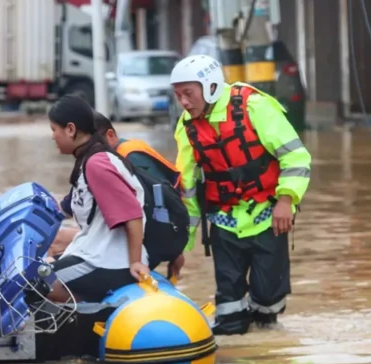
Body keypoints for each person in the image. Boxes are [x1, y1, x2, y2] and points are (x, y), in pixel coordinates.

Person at [170, 55, 312, 335]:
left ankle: (267, 359)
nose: (184, 102)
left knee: (267, 306)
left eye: (188, 94)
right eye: (178, 96)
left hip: (268, 217)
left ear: (210, 86)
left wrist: (287, 201)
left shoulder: (255, 107)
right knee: (229, 312)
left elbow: (297, 157)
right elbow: (186, 191)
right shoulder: (187, 127)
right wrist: (179, 247)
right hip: (224, 223)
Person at [45, 95, 149, 303]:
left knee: (29, 283)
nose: (53, 136)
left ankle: (86, 314)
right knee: (40, 267)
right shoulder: (91, 159)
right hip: (99, 255)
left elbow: (133, 215)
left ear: (71, 129)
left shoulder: (97, 164)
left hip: (110, 263)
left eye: (54, 129)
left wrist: (136, 262)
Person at [92, 112, 186, 280]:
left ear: (111, 136)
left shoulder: (131, 156)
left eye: (94, 145)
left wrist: (176, 251)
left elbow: (161, 198)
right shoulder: (112, 158)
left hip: (158, 233)